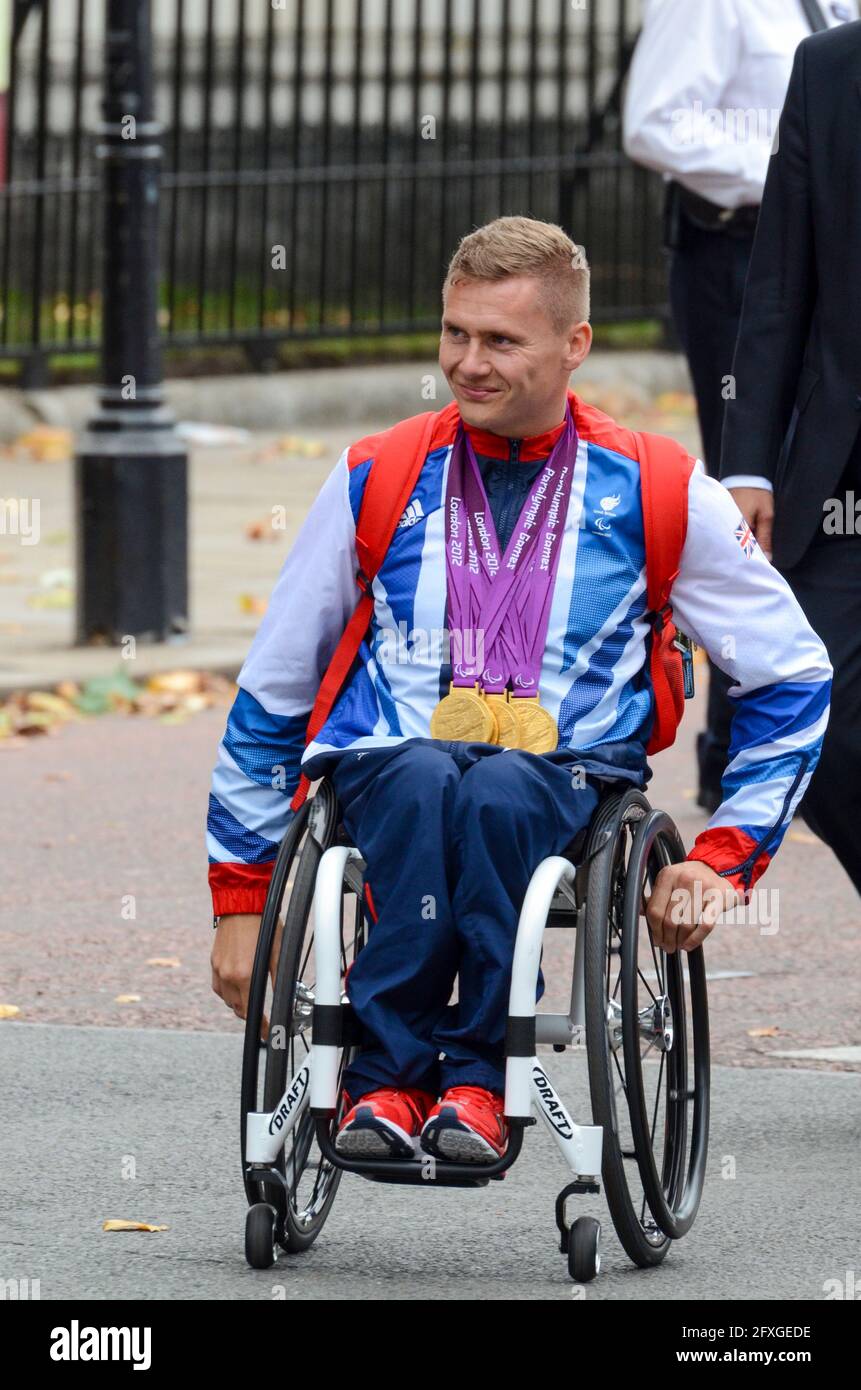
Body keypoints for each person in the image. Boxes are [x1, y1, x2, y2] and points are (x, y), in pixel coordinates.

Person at [207, 217, 831, 1165]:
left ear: (574, 345)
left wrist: (722, 855)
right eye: (455, 334)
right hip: (392, 768)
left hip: (566, 778)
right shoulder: (377, 472)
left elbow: (789, 672)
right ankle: (383, 1084)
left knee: (495, 788)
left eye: (500, 340)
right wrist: (243, 898)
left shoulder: (659, 486)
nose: (468, 363)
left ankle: (475, 1082)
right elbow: (275, 688)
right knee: (422, 777)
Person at [623, 0, 856, 813]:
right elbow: (654, 124)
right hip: (737, 250)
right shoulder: (734, 12)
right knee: (756, 508)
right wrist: (799, 170)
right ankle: (733, 747)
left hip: (802, 249)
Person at [720, 20, 861, 893]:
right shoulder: (827, 68)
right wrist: (747, 465)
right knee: (820, 729)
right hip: (838, 479)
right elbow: (778, 282)